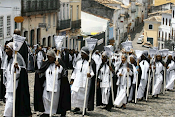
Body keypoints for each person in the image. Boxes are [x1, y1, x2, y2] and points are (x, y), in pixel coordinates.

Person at [34, 49, 71, 117]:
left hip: (56, 84)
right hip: (47, 84)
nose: (49, 58)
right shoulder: (46, 63)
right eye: (48, 57)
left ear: (54, 56)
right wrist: (39, 73)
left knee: (55, 99)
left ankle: (55, 111)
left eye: (50, 57)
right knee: (45, 98)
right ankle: (47, 111)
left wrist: (59, 66)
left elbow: (64, 73)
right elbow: (42, 72)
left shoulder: (59, 62)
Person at [2, 42, 32, 117]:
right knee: (8, 101)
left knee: (11, 102)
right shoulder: (8, 61)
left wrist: (17, 68)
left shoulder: (17, 60)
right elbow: (6, 73)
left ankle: (7, 115)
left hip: (15, 85)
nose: (6, 51)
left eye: (8, 49)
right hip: (9, 85)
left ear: (12, 50)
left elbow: (21, 73)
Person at [70, 47, 96, 114]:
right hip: (77, 81)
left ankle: (84, 108)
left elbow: (93, 72)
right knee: (75, 94)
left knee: (84, 96)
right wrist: (72, 79)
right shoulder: (78, 62)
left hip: (85, 82)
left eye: (83, 53)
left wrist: (90, 75)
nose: (81, 55)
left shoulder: (91, 62)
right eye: (81, 53)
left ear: (87, 54)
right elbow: (75, 71)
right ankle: (76, 107)